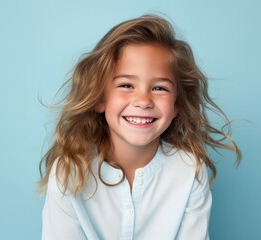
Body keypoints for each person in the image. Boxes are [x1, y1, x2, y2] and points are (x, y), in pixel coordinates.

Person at [38, 15, 241, 240]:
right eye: (126, 85)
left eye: (160, 88)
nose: (143, 100)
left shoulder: (190, 171)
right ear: (99, 98)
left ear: (177, 105)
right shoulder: (69, 172)